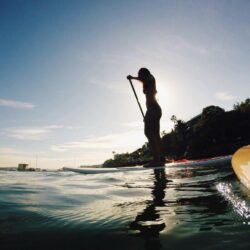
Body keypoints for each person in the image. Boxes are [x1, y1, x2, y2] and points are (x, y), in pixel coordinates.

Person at [127, 68, 164, 167]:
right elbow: (142, 80)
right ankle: (161, 158)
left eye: (140, 74)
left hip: (153, 109)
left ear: (144, 73)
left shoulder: (150, 78)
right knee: (156, 134)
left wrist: (132, 78)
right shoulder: (147, 80)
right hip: (154, 110)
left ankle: (156, 160)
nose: (139, 76)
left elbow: (143, 79)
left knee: (148, 132)